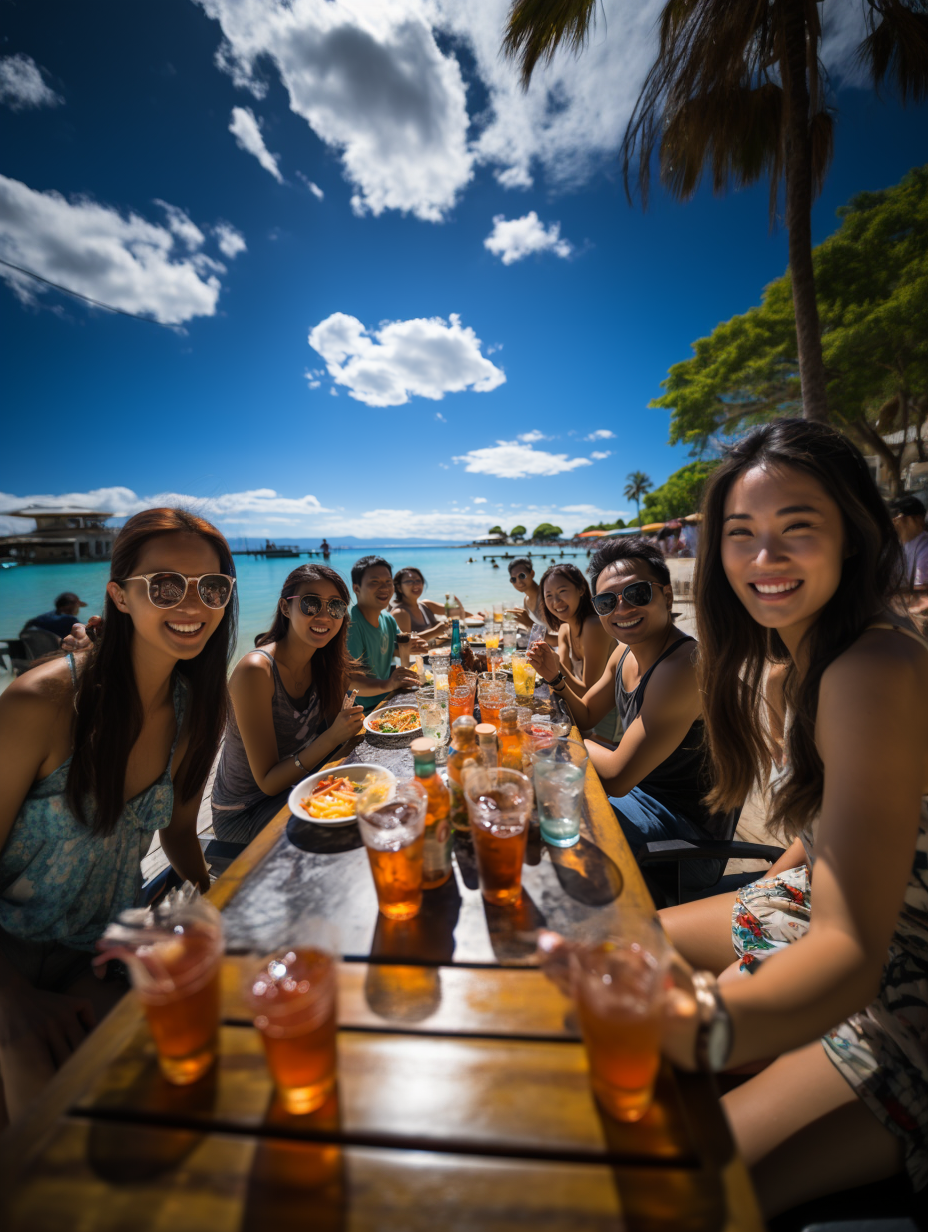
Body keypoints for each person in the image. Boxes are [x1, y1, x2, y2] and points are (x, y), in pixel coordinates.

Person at [653, 419, 928, 1217]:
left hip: (906, 977)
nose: (763, 560)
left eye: (796, 529)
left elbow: (850, 953)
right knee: (624, 948)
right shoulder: (804, 658)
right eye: (741, 536)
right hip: (835, 900)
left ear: (854, 537)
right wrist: (762, 915)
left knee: (671, 1191)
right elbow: (829, 831)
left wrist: (695, 1027)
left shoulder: (873, 667)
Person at [0, 508, 236, 1122]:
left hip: (102, 952)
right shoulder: (42, 702)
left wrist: (222, 907)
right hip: (10, 965)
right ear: (120, 597)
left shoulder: (194, 710)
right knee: (48, 1130)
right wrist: (13, 1000)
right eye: (164, 585)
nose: (192, 604)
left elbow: (180, 834)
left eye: (212, 588)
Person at [526, 537, 729, 887]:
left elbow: (618, 777)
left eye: (637, 594)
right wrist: (556, 677)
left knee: (547, 824)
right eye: (606, 602)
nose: (621, 609)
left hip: (687, 837)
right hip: (642, 797)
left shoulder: (684, 666)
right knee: (534, 800)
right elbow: (588, 715)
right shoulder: (624, 653)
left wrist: (548, 737)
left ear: (666, 596)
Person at [211, 564, 366, 845]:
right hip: (246, 812)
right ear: (285, 608)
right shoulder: (255, 671)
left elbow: (357, 686)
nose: (323, 615)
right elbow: (268, 783)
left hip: (298, 788)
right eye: (310, 603)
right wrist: (332, 738)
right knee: (356, 833)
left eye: (335, 607)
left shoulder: (322, 661)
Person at [535, 563, 620, 743]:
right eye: (548, 596)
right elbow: (561, 683)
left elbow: (587, 692)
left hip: (607, 725)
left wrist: (555, 667)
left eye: (562, 591)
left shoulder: (594, 626)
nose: (555, 602)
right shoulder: (565, 629)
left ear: (581, 589)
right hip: (583, 715)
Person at [347, 556, 424, 714]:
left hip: (386, 698)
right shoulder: (351, 623)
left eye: (388, 582)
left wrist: (413, 645)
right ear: (356, 588)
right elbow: (351, 682)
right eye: (374, 582)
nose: (384, 588)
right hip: (360, 710)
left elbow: (395, 650)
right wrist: (388, 684)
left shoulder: (388, 619)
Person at [389, 567, 463, 640]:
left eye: (418, 580)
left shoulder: (425, 605)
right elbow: (404, 642)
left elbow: (457, 613)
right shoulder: (400, 613)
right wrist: (435, 631)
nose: (416, 585)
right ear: (399, 587)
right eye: (409, 581)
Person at [889, 494, 928, 617]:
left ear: (916, 519)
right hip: (898, 609)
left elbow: (920, 595)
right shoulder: (898, 544)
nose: (895, 523)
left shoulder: (924, 548)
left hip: (912, 615)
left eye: (898, 518)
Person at [504, 557, 547, 630]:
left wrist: (529, 623)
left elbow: (557, 633)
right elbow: (531, 627)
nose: (518, 582)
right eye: (513, 579)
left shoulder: (546, 597)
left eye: (522, 576)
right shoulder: (526, 599)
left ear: (532, 574)